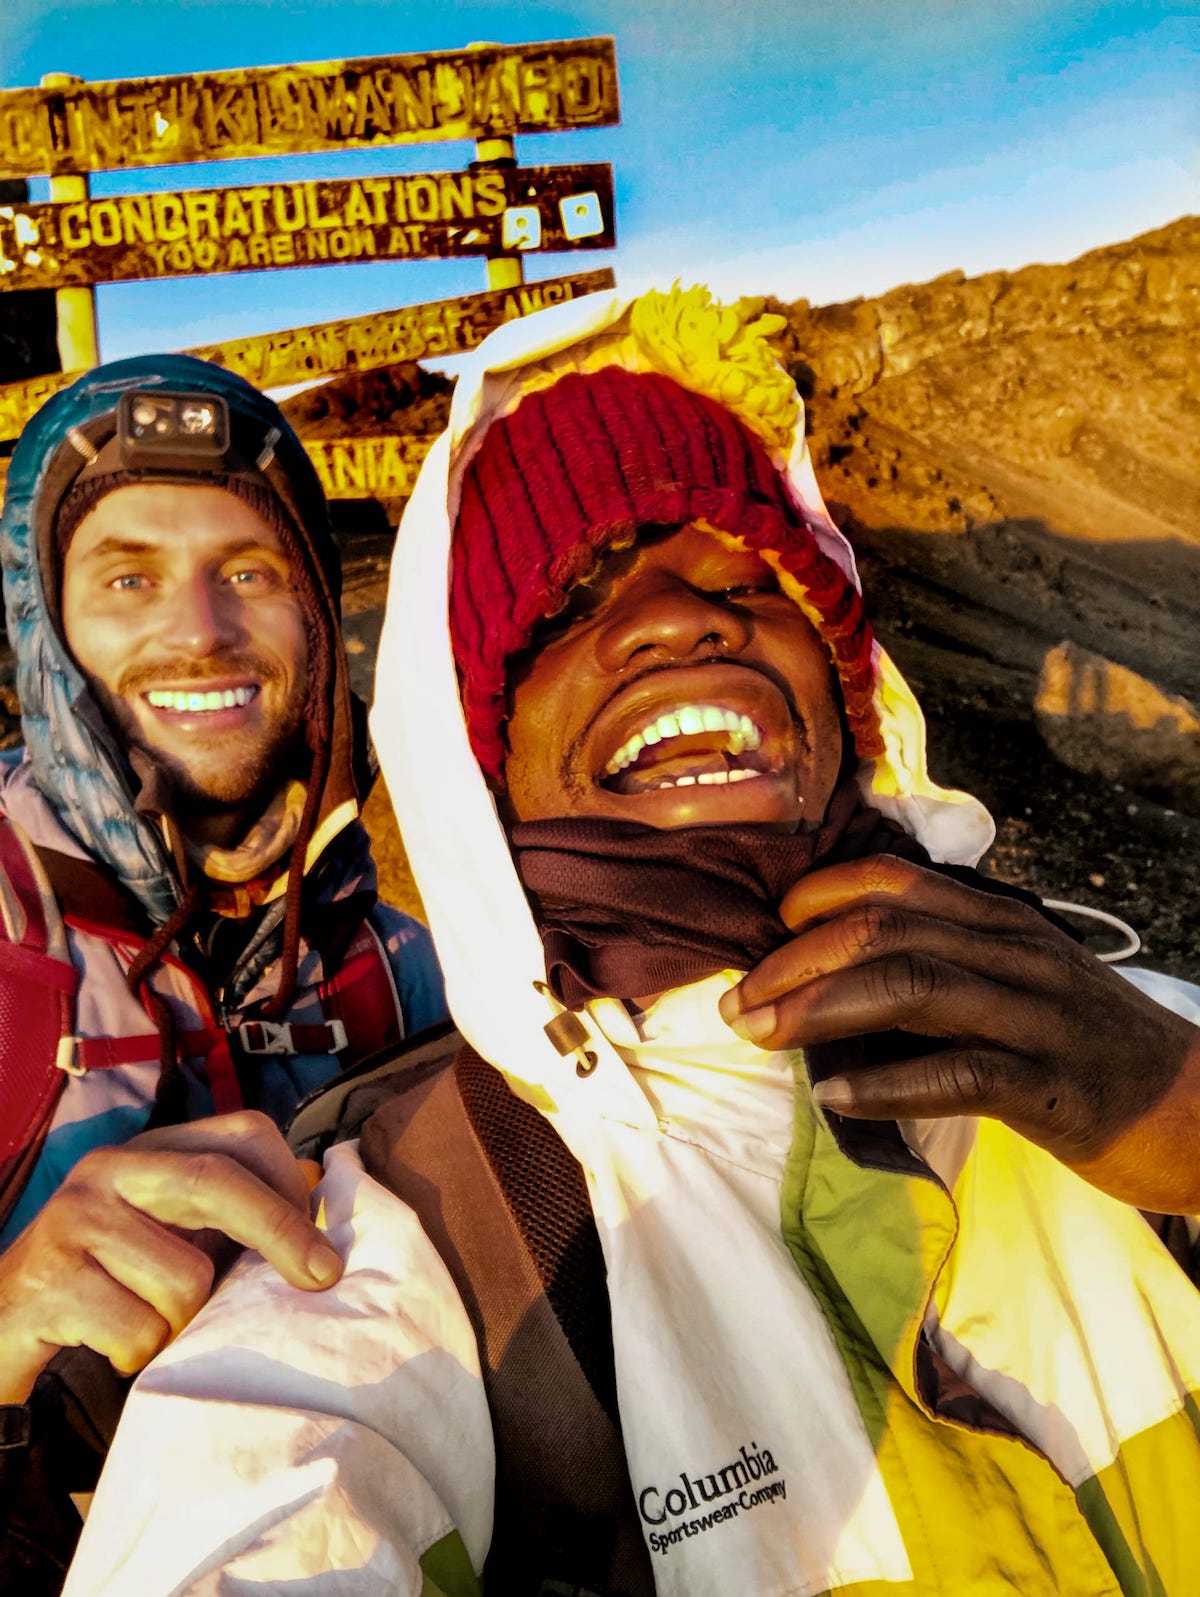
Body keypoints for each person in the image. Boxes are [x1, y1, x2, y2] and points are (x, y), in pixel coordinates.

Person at [63, 290, 1200, 1596]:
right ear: (474, 767)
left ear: (853, 688)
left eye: (743, 579)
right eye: (559, 613)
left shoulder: (1121, 1035)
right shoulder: (434, 1228)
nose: (680, 619)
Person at [0, 354, 446, 1591]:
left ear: (317, 613)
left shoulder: (423, 975)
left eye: (247, 572)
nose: (197, 629)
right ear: (45, 627)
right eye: (127, 576)